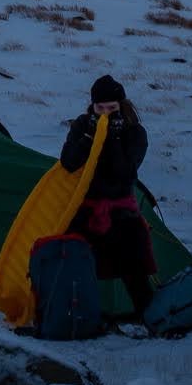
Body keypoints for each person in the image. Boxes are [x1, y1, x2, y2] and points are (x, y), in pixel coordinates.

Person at [60, 74, 157, 320]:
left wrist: (111, 139)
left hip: (121, 209)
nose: (105, 113)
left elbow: (124, 174)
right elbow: (69, 163)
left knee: (133, 264)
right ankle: (73, 316)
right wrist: (90, 138)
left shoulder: (135, 132)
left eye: (111, 109)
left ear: (121, 106)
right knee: (71, 260)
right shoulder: (82, 125)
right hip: (85, 208)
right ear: (92, 107)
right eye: (99, 108)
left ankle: (147, 315)